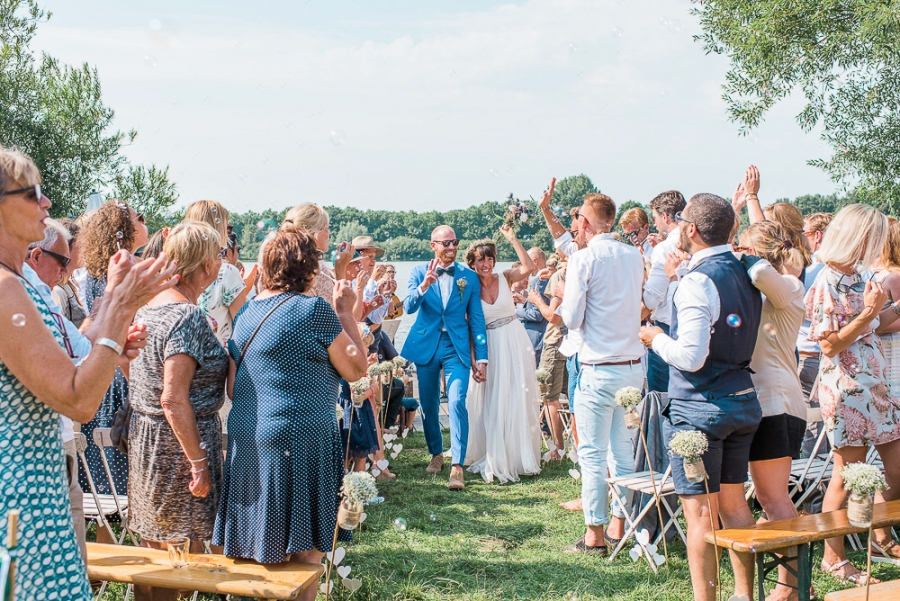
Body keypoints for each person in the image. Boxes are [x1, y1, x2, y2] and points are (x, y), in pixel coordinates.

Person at [0, 146, 176, 600]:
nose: (48, 204)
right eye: (33, 193)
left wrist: (110, 340)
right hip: (18, 492)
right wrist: (118, 308)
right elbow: (77, 398)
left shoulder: (17, 282)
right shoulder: (4, 289)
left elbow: (75, 366)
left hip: (36, 482)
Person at [214, 227, 367, 601]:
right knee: (307, 553)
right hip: (303, 444)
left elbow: (234, 389)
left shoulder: (248, 312)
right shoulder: (315, 310)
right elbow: (357, 368)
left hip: (250, 442)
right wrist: (345, 311)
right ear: (309, 268)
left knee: (262, 549)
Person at [639, 194, 764, 601]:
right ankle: (745, 595)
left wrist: (656, 338)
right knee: (735, 505)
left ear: (690, 229)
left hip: (701, 409)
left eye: (681, 221)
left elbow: (691, 357)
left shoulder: (698, 279)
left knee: (701, 516)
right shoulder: (747, 271)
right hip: (742, 400)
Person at [127, 222, 229, 601]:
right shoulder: (186, 316)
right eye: (218, 255)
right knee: (175, 557)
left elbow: (131, 364)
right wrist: (198, 462)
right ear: (204, 265)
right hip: (178, 446)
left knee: (153, 551)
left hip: (146, 437)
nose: (221, 262)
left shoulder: (148, 305)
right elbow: (172, 397)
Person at [806, 204, 900, 581]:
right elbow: (829, 346)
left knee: (895, 469)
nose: (877, 244)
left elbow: (879, 321)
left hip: (876, 386)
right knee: (846, 476)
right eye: (873, 237)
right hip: (847, 389)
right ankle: (834, 557)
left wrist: (885, 308)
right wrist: (867, 314)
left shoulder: (860, 277)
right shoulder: (827, 281)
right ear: (857, 237)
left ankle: (880, 536)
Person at [558, 193, 645, 553]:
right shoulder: (633, 255)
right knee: (624, 451)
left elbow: (572, 318)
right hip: (633, 367)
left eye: (579, 220)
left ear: (586, 223)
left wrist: (565, 297)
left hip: (597, 366)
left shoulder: (584, 257)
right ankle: (619, 526)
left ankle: (594, 535)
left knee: (593, 453)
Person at [737, 220, 808, 600]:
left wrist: (739, 256)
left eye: (744, 247)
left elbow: (763, 271)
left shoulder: (790, 285)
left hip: (777, 400)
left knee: (772, 497)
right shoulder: (762, 289)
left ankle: (794, 585)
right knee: (769, 497)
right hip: (763, 400)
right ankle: (793, 582)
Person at [402, 225, 488, 490]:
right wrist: (424, 286)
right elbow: (408, 307)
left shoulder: (468, 277)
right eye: (446, 243)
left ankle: (457, 465)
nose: (451, 248)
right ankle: (436, 453)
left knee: (457, 400)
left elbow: (476, 318)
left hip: (456, 346)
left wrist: (482, 357)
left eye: (455, 242)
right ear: (433, 246)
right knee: (428, 406)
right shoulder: (418, 272)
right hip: (426, 344)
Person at [77, 200, 150, 498]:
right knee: (122, 484)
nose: (145, 222)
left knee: (101, 485)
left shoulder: (93, 274)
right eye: (139, 217)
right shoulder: (126, 272)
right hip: (122, 374)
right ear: (123, 231)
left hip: (99, 375)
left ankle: (104, 538)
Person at [464, 227, 542, 483]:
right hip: (488, 346)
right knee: (493, 398)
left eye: (489, 259)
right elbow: (470, 325)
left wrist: (512, 239)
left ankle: (517, 454)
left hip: (513, 341)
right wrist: (475, 359)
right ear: (472, 263)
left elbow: (529, 267)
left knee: (516, 395)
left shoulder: (506, 277)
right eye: (480, 260)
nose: (485, 264)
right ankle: (493, 452)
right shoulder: (469, 287)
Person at [187, 200, 254, 344]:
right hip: (219, 360)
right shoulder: (226, 272)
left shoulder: (177, 270)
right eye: (226, 226)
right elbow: (244, 327)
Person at [643, 191, 687, 394]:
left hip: (666, 329)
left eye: (655, 218)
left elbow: (651, 299)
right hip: (695, 326)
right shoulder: (699, 242)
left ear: (666, 217)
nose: (655, 224)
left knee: (661, 400)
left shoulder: (665, 247)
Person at [798, 212, 833, 461]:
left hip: (809, 356)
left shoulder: (812, 272)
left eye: (805, 233)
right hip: (833, 357)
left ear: (817, 236)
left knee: (813, 428)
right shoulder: (846, 270)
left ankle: (814, 494)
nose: (803, 238)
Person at [529, 262, 568, 460]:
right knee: (574, 397)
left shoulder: (560, 276)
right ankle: (576, 445)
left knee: (549, 396)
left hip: (555, 341)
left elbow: (552, 316)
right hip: (575, 341)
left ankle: (558, 449)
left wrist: (536, 300)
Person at [284, 202, 354, 309]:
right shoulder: (316, 270)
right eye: (326, 228)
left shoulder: (279, 263)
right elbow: (338, 315)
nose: (329, 233)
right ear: (315, 233)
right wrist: (341, 269)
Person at [874, 218, 900, 397]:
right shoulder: (868, 273)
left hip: (892, 350)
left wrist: (868, 326)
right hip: (879, 350)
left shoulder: (893, 277)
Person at [514, 247, 550, 366]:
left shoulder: (540, 280)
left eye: (527, 261)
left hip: (536, 336)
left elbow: (537, 314)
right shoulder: (547, 276)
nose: (526, 265)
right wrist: (525, 302)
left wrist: (515, 311)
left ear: (535, 261)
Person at [52, 219, 88, 328]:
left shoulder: (68, 285)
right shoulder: (57, 292)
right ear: (66, 247)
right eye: (81, 244)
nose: (86, 249)